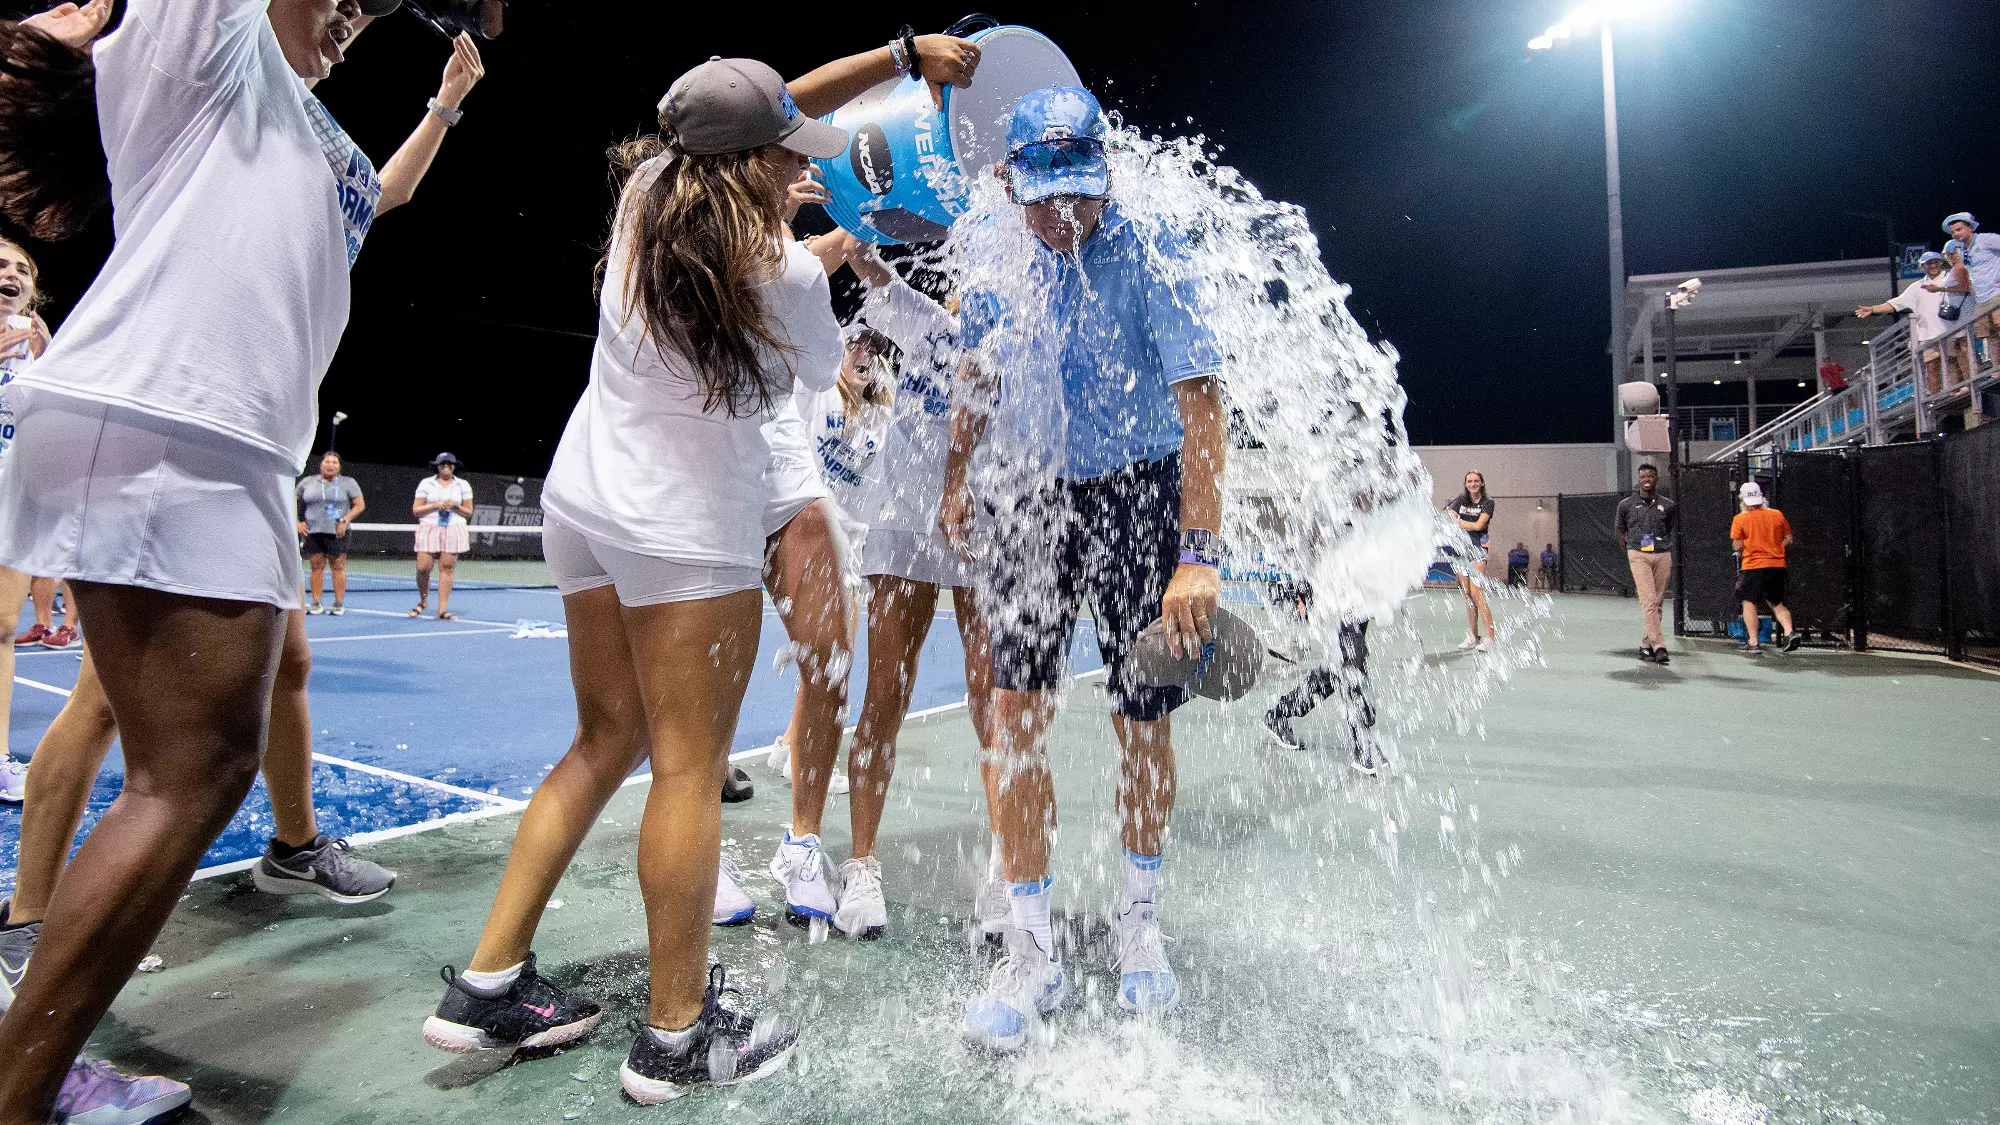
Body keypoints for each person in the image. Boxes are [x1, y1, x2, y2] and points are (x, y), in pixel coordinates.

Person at [422, 39, 982, 1103]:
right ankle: (675, 1035)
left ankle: (489, 980)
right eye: (781, 155)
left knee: (599, 743)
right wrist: (848, 231)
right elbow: (814, 355)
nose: (793, 163)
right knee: (686, 769)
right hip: (679, 531)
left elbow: (738, 109)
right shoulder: (777, 271)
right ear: (752, 165)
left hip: (580, 503)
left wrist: (894, 56)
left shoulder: (644, 192)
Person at [0, 0, 413, 1117]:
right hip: (168, 427)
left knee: (201, 756)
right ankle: (22, 1089)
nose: (352, 16)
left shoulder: (312, 130)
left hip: (223, 451)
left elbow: (385, 191)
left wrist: (451, 101)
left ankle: (40, 1063)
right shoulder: (208, 45)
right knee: (184, 772)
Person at [939, 84, 1227, 1049]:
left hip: (1141, 496)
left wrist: (1197, 557)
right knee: (1013, 722)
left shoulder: (1154, 255)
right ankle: (1031, 948)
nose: (1066, 213)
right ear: (1010, 185)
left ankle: (1140, 925)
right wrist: (955, 478)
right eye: (1046, 195)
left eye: (1082, 193)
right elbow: (975, 374)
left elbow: (1202, 412)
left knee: (1139, 721)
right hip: (1029, 495)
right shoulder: (996, 259)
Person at [0, 237, 51, 806]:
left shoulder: (36, 347)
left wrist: (55, 365)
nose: (12, 274)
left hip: (10, 492)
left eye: (22, 269)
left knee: (1, 628)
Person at [1261, 578, 1381, 775]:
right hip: (1334, 585)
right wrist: (1299, 591)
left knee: (1336, 667)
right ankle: (1364, 746)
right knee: (1350, 658)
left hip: (1358, 588)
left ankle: (1279, 714)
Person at [1855, 250, 1971, 394]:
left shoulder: (1950, 279)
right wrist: (1873, 309)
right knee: (1931, 367)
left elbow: (1966, 288)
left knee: (1953, 363)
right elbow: (1895, 304)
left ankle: (1958, 390)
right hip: (1927, 335)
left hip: (1950, 331)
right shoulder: (1916, 287)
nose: (1933, 266)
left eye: (1935, 262)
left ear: (1941, 263)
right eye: (1928, 263)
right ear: (1923, 266)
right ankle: (1935, 397)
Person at [1729, 482, 1801, 656]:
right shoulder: (1777, 515)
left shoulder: (1740, 519)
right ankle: (1790, 631)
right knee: (1776, 602)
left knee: (1749, 601)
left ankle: (1754, 643)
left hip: (1753, 566)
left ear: (1744, 500)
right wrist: (1776, 547)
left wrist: (1745, 548)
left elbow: (1737, 545)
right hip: (1777, 565)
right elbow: (1788, 538)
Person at [1616, 464, 1676, 664]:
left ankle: (1645, 646)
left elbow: (1670, 528)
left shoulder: (1668, 504)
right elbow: (1620, 530)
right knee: (1649, 601)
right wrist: (1630, 550)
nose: (1647, 479)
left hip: (1661, 553)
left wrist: (1661, 544)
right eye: (1643, 476)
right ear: (1639, 479)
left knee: (1657, 603)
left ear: (1656, 478)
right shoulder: (1626, 505)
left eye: (1650, 475)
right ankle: (1660, 647)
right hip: (1638, 553)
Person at [297, 450, 365, 613]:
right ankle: (316, 602)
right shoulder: (307, 482)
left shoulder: (348, 483)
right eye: (327, 462)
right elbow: (291, 500)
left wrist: (345, 520)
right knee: (316, 567)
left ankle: (338, 604)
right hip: (312, 532)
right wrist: (296, 522)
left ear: (339, 466)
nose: (330, 465)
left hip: (338, 532)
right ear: (321, 464)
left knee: (338, 566)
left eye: (334, 462)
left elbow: (359, 505)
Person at [412, 452, 473, 619]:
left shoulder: (463, 485)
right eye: (442, 463)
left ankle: (442, 610)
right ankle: (423, 601)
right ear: (437, 466)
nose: (445, 466)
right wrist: (436, 506)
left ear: (454, 466)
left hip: (453, 528)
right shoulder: (426, 483)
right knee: (423, 568)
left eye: (449, 463)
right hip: (429, 526)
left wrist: (455, 507)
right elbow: (416, 510)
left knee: (447, 569)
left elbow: (468, 512)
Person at [1448, 470, 1497, 652]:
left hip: (1478, 548)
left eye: (1476, 481)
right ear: (1465, 484)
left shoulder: (1488, 503)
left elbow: (1479, 525)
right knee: (1467, 593)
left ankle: (1490, 638)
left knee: (1477, 593)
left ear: (1482, 483)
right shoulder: (1461, 499)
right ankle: (1473, 637)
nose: (1473, 484)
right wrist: (1460, 522)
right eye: (1469, 481)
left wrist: (1460, 523)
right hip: (1461, 549)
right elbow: (1449, 517)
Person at [1943, 212, 2000, 363]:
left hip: (1996, 293)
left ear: (1970, 228)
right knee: (1990, 335)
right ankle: (1997, 368)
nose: (1956, 234)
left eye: (1959, 229)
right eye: (1953, 232)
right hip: (1981, 298)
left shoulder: (1986, 239)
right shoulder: (1963, 250)